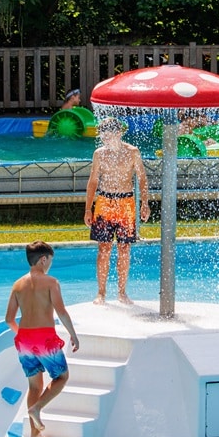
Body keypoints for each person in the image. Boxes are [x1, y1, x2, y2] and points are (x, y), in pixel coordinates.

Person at [4, 241, 80, 437]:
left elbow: (9, 319)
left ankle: (35, 435)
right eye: (50, 261)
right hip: (44, 339)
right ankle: (37, 408)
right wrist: (73, 334)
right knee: (62, 377)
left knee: (34, 387)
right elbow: (61, 311)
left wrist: (24, 335)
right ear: (43, 259)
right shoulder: (51, 282)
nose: (50, 266)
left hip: (24, 341)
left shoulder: (18, 285)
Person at [84, 117, 151, 305]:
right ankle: (101, 293)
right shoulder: (99, 154)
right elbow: (93, 182)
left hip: (126, 203)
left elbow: (142, 179)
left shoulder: (132, 152)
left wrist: (144, 204)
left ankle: (122, 292)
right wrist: (88, 209)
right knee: (103, 248)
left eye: (109, 134)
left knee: (124, 248)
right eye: (103, 135)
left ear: (119, 133)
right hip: (104, 202)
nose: (105, 138)